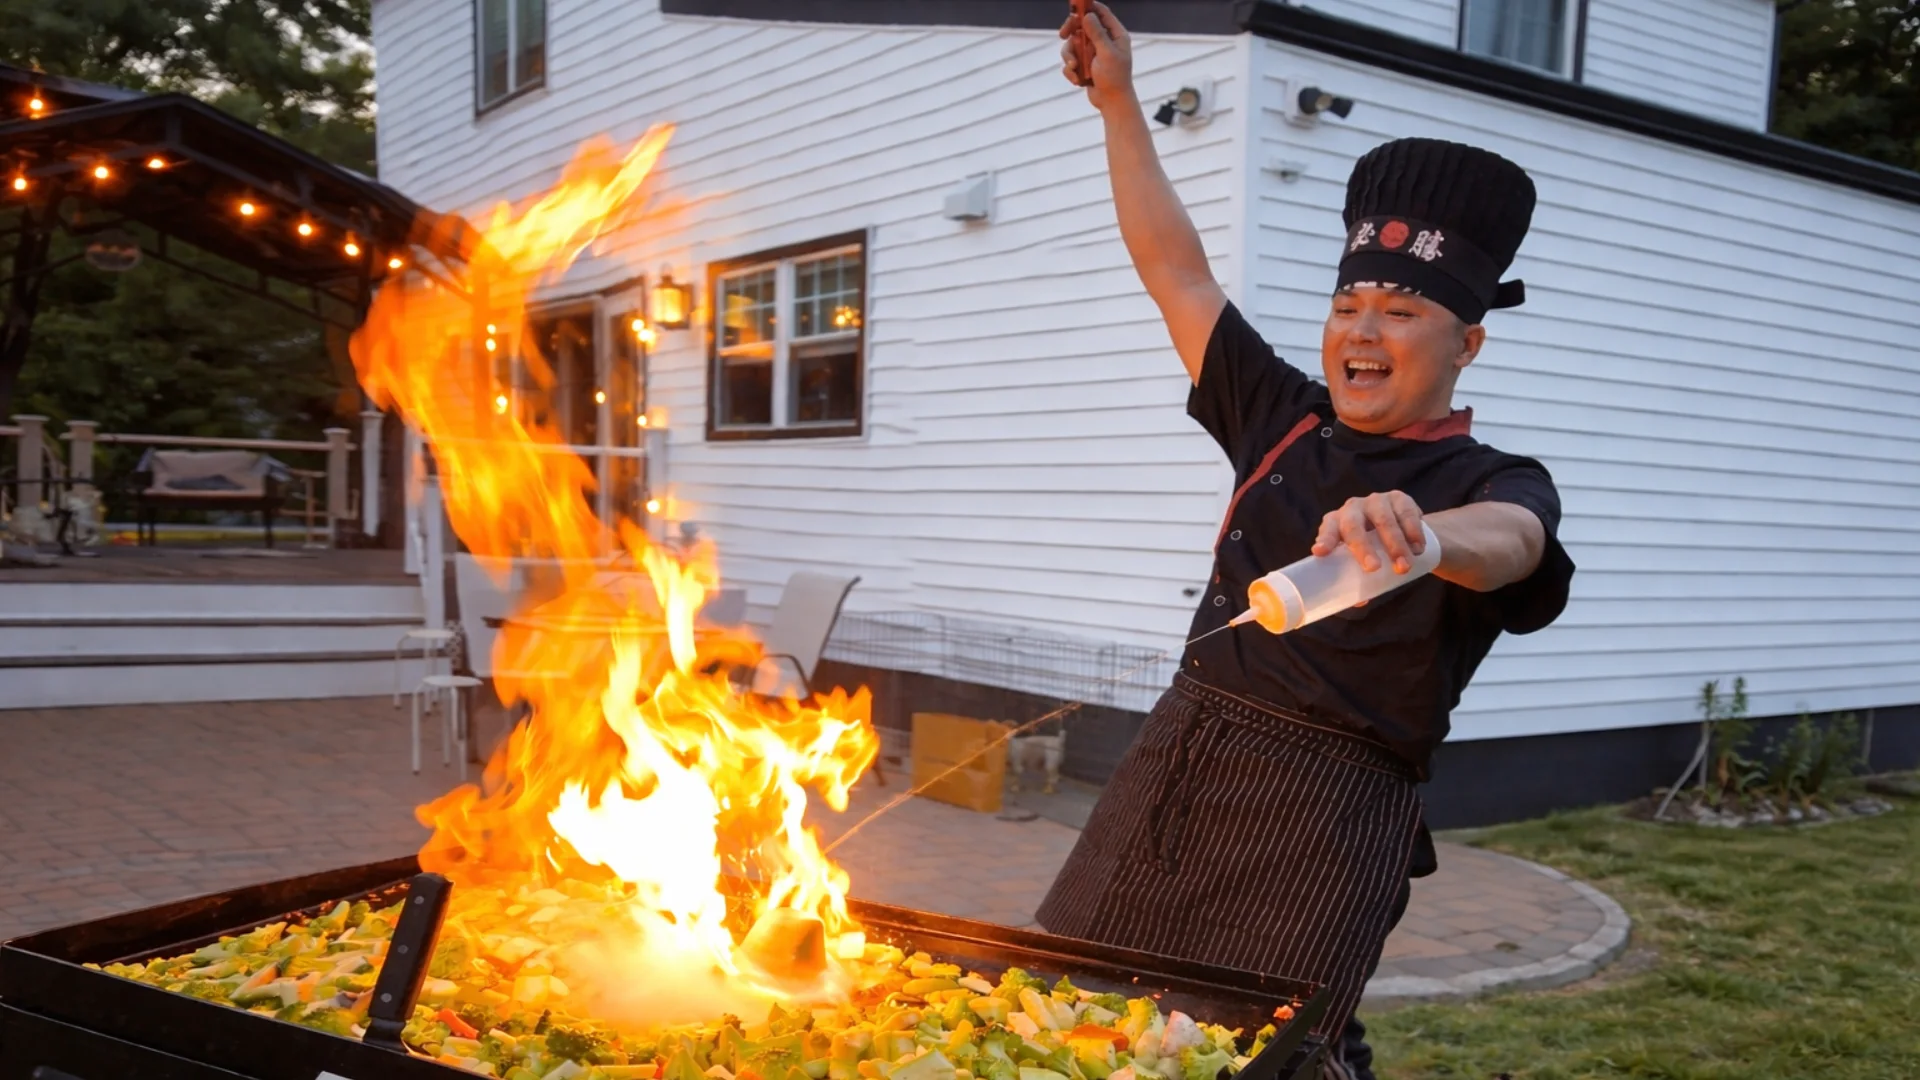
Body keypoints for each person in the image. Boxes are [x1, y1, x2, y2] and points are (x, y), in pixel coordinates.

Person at [1033, 6, 1578, 1079]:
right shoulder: (1278, 417)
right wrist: (1118, 105)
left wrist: (1423, 537)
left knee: (1265, 1053)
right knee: (1071, 1010)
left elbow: (1515, 542)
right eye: (1349, 305)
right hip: (1182, 755)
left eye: (1402, 313)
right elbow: (1177, 273)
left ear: (1467, 343)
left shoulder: (1493, 480)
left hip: (1328, 809)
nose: (1363, 331)